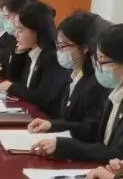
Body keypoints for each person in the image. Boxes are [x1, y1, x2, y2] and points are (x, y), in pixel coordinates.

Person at [33, 23, 123, 174]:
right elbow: (95, 133)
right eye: (97, 59)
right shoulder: (119, 88)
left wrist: (65, 147)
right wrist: (54, 127)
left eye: (103, 61)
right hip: (104, 170)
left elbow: (122, 155)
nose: (98, 67)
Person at [27, 11, 110, 141]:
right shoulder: (72, 75)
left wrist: (54, 126)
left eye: (63, 46)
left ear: (85, 47)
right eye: (58, 45)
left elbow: (90, 130)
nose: (59, 51)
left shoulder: (95, 83)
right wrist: (51, 125)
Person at [0, 0, 69, 117]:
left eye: (20, 30)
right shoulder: (32, 52)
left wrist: (11, 87)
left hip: (45, 119)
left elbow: (43, 98)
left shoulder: (53, 58)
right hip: (28, 114)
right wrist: (18, 53)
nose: (16, 34)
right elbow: (12, 79)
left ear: (37, 30)